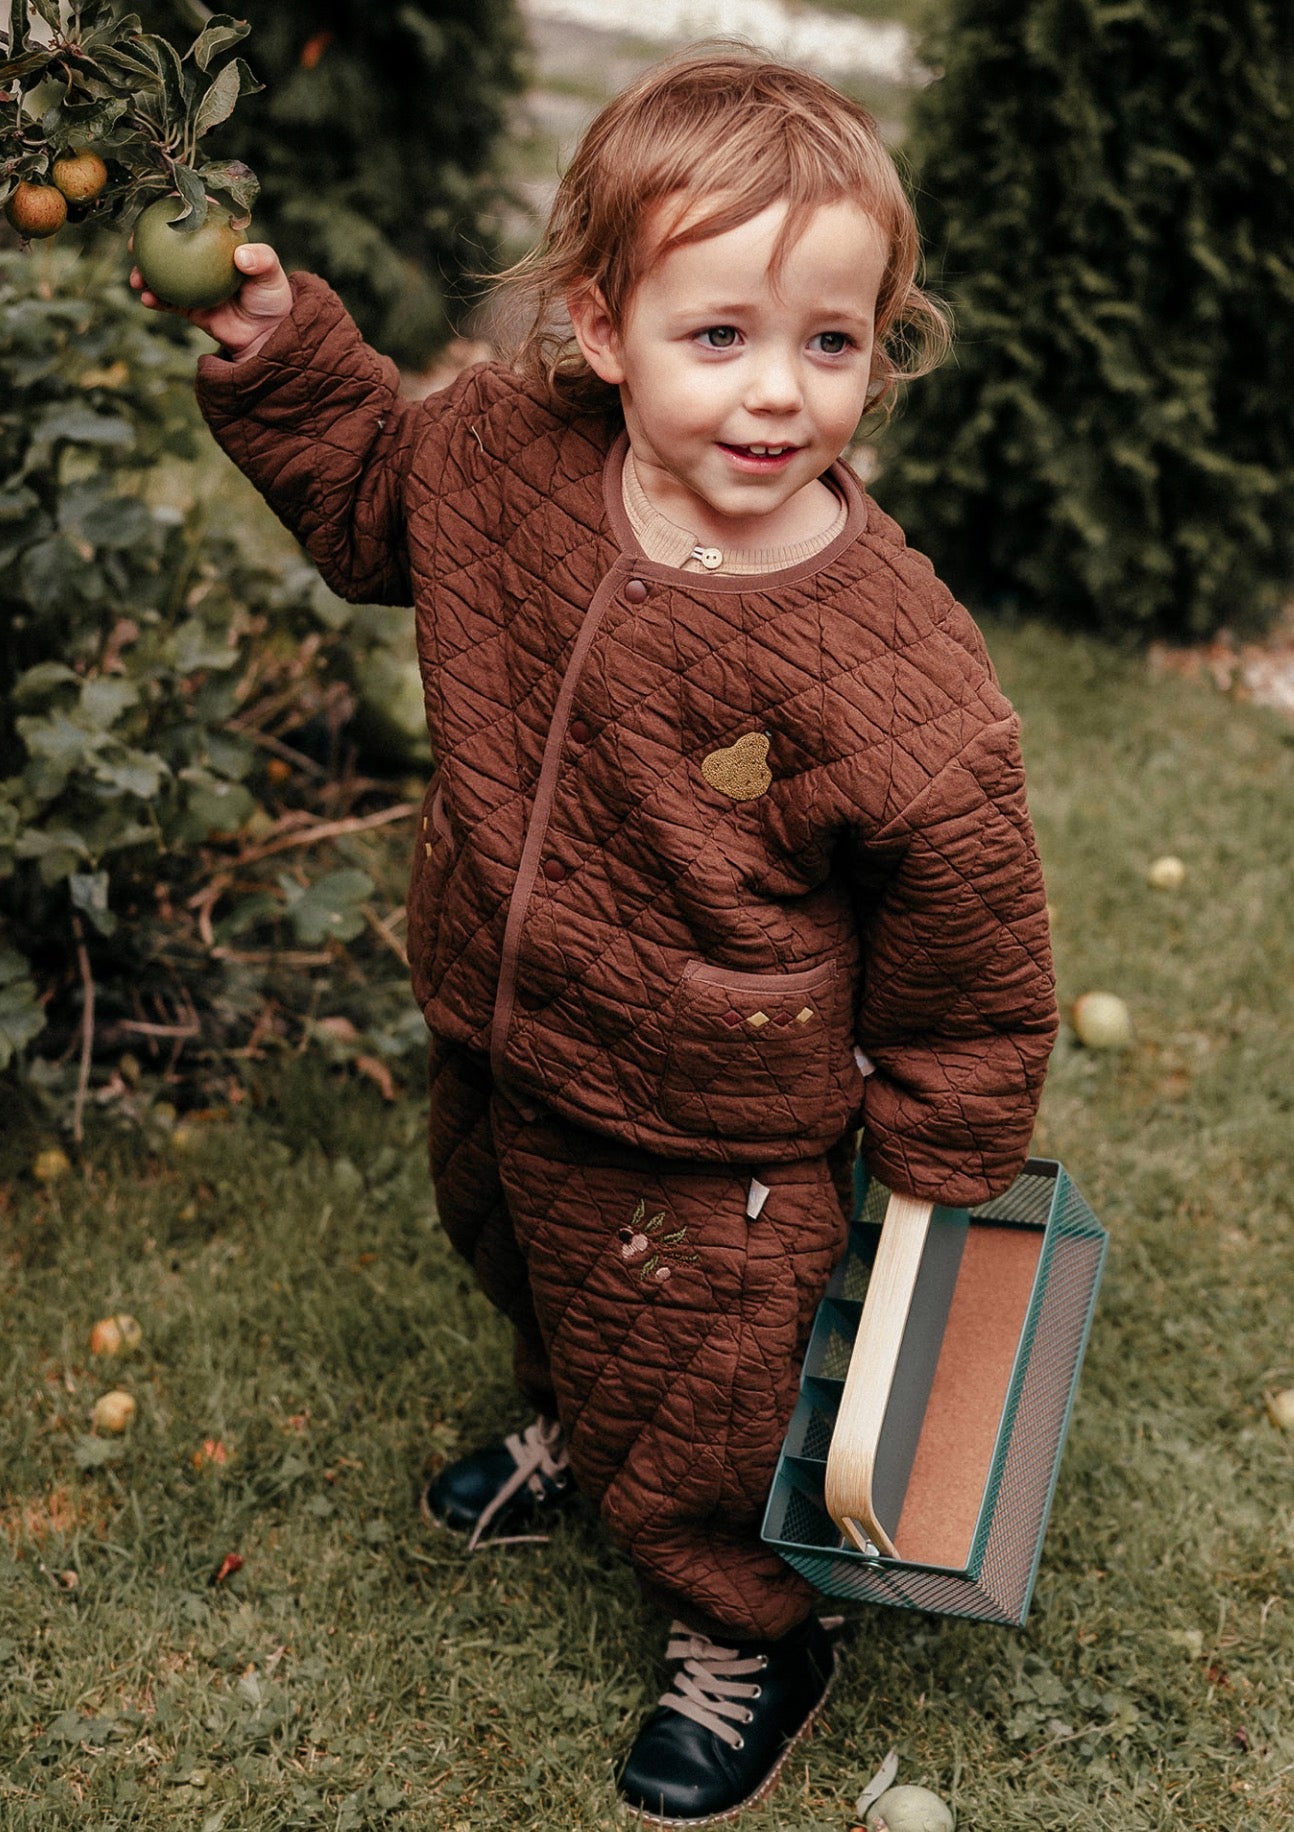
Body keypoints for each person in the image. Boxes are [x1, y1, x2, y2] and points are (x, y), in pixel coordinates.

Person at [133, 43, 1058, 1825]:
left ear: (879, 343)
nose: (776, 391)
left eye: (831, 341)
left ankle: (748, 1625)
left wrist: (944, 1152)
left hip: (715, 1112)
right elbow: (371, 495)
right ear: (599, 326)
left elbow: (970, 942)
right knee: (516, 1237)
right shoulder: (508, 456)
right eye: (718, 335)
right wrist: (282, 357)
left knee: (710, 1375)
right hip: (501, 1016)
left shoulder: (890, 663)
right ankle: (570, 1409)